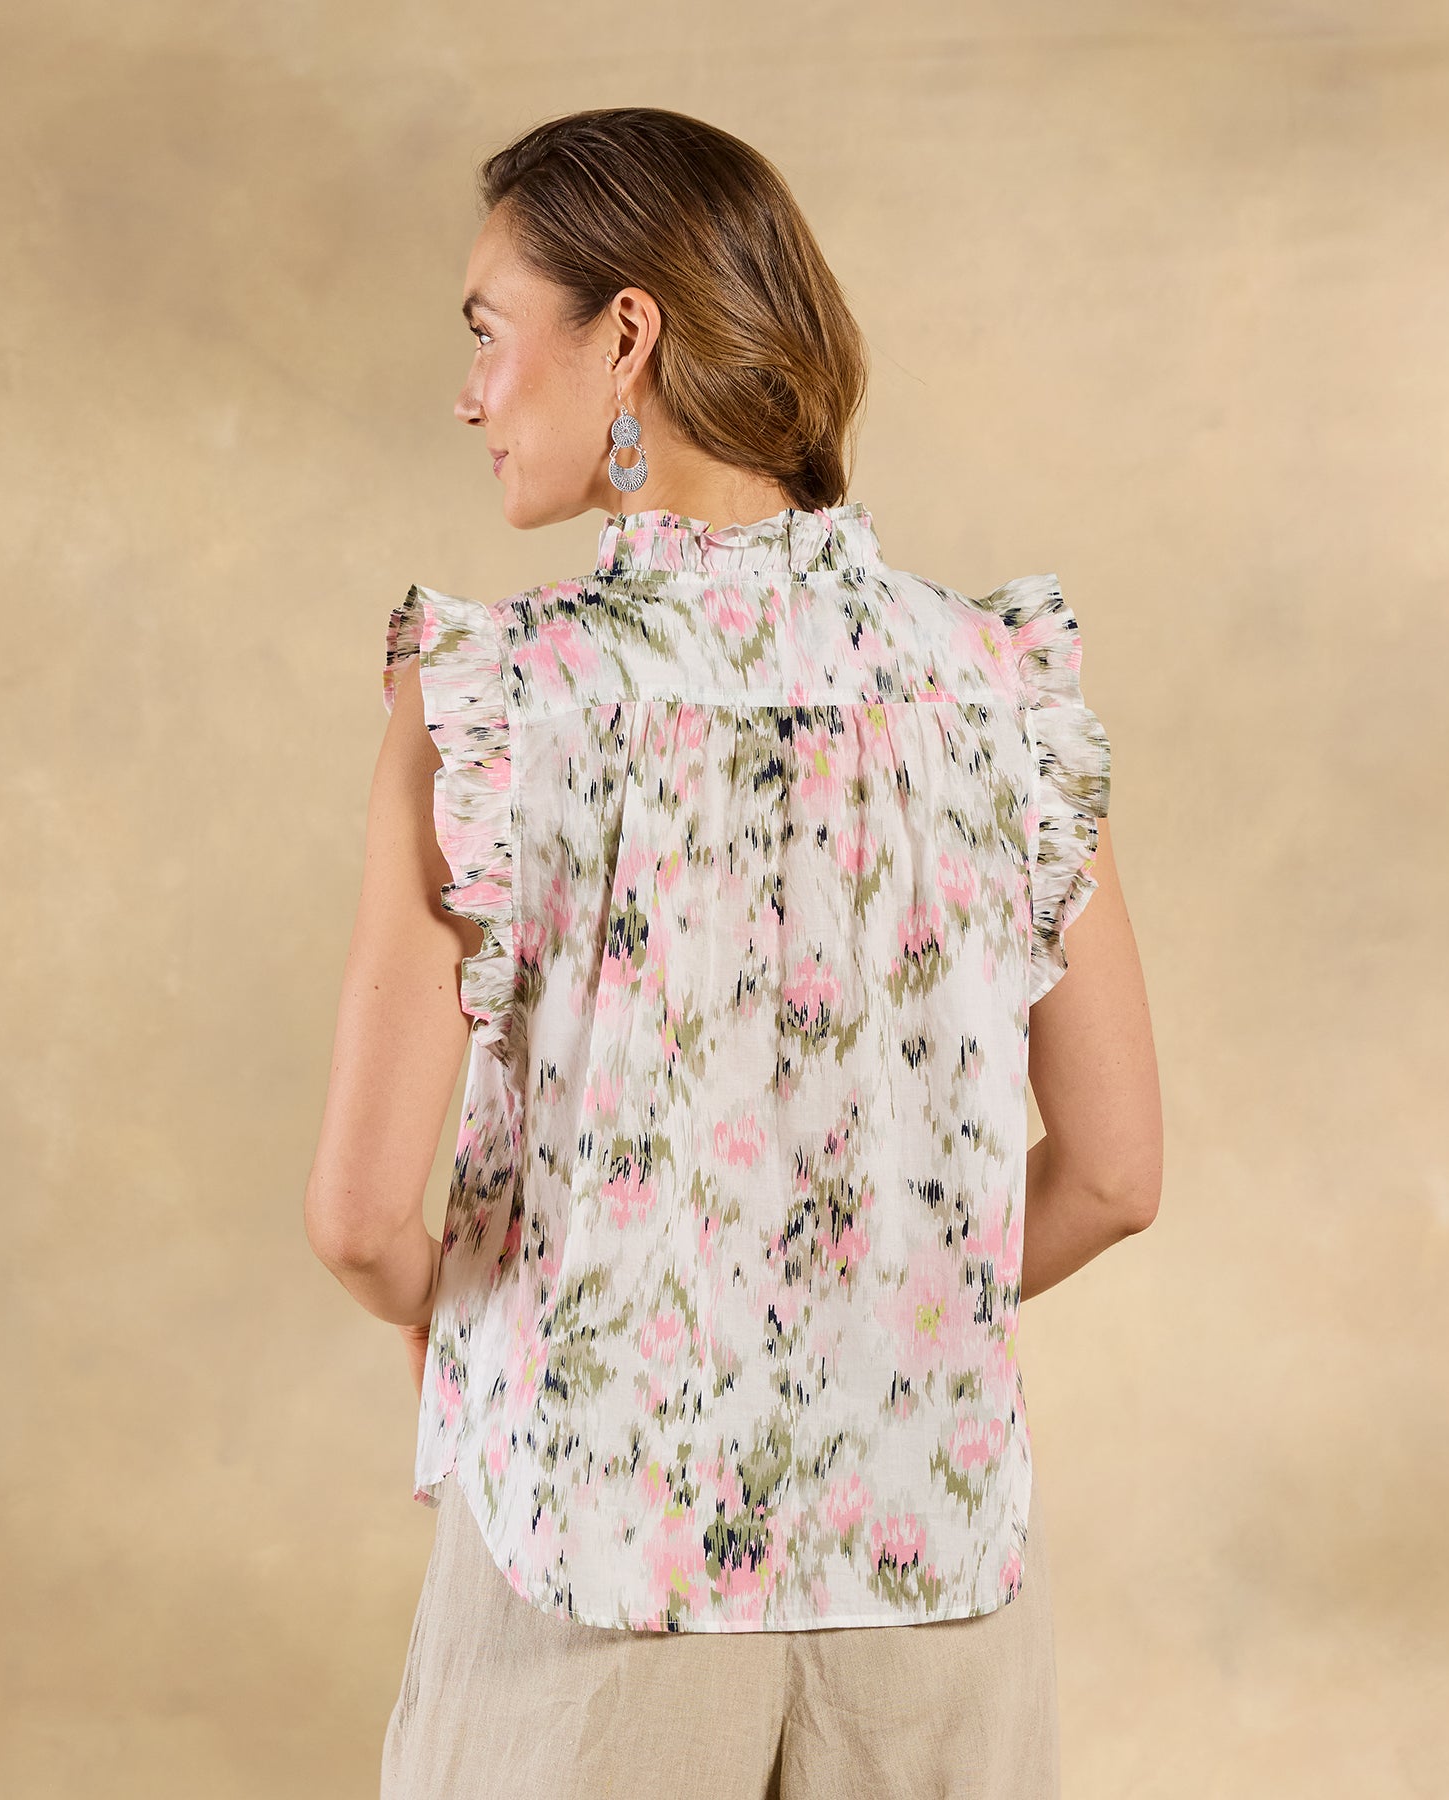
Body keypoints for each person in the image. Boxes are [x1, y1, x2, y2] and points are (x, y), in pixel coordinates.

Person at [305, 105, 1162, 1800]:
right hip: (937, 1596)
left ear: (624, 334)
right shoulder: (997, 689)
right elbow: (1117, 1176)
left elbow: (359, 1222)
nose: (471, 393)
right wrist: (877, 1317)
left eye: (488, 331)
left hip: (592, 1589)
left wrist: (471, 1331)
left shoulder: (494, 701)